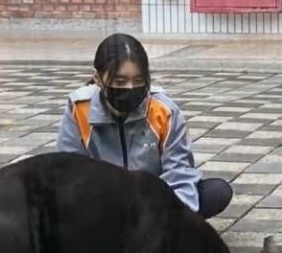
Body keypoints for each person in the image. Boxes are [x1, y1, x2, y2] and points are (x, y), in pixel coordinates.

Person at [55, 33, 232, 219]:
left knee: (216, 192)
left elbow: (179, 173)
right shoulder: (80, 107)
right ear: (98, 78)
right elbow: (67, 172)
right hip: (101, 205)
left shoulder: (164, 110)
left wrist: (165, 220)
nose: (130, 88)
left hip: (151, 205)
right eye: (120, 81)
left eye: (139, 81)